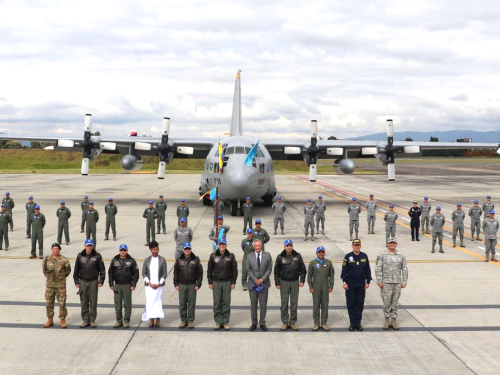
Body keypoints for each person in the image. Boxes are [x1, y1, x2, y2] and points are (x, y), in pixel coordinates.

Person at [375, 237, 408, 330]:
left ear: (396, 244)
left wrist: (404, 281)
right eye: (390, 243)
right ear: (387, 244)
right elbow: (378, 268)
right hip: (386, 283)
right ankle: (386, 320)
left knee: (395, 302)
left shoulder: (400, 255)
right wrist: (379, 281)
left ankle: (393, 320)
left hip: (397, 282)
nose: (392, 244)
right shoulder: (382, 254)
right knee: (386, 302)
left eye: (394, 243)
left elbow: (404, 269)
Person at [274, 239, 306, 331]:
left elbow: (303, 270)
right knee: (284, 303)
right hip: (284, 282)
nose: (289, 247)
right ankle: (285, 322)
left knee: (294, 303)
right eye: (287, 245)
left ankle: (292, 322)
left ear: (292, 246)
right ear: (284, 247)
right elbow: (276, 271)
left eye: (290, 245)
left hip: (295, 282)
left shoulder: (298, 256)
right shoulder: (280, 257)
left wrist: (302, 280)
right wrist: (277, 283)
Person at [73, 239, 105, 328]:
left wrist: (101, 281)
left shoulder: (97, 256)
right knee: (84, 301)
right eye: (88, 245)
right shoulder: (80, 256)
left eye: (91, 245)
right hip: (82, 281)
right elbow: (76, 270)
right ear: (84, 246)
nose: (89, 247)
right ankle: (85, 320)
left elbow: (102, 270)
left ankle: (92, 320)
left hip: (93, 281)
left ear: (93, 246)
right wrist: (76, 281)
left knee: (93, 301)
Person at [341, 239, 371, 331]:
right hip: (350, 285)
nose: (357, 246)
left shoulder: (364, 256)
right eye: (355, 245)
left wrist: (368, 281)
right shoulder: (348, 256)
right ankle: (352, 323)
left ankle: (358, 323)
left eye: (358, 245)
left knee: (360, 304)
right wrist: (344, 282)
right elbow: (344, 271)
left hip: (361, 285)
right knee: (351, 304)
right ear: (352, 246)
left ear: (360, 246)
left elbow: (367, 270)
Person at [207, 238, 238, 330]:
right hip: (216, 282)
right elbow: (209, 270)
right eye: (220, 244)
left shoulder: (231, 256)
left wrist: (233, 282)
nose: (222, 245)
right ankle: (218, 321)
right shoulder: (213, 256)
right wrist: (210, 282)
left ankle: (225, 321)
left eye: (223, 244)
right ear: (218, 245)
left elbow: (234, 270)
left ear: (226, 245)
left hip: (227, 282)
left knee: (226, 302)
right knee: (217, 302)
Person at [108, 244, 139, 329]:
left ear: (127, 251)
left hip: (127, 285)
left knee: (127, 304)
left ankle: (126, 320)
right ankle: (118, 321)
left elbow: (136, 273)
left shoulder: (131, 261)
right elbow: (110, 272)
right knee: (118, 304)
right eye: (121, 250)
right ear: (119, 251)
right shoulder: (114, 260)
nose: (123, 252)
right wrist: (111, 284)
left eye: (124, 250)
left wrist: (133, 284)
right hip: (117, 285)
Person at [174, 242, 203, 329]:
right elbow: (176, 273)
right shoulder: (179, 260)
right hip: (182, 284)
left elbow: (200, 273)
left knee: (191, 303)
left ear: (191, 249)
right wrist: (176, 284)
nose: (187, 250)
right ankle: (183, 320)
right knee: (182, 303)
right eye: (185, 249)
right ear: (183, 250)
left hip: (192, 284)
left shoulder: (196, 259)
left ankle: (190, 321)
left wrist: (198, 284)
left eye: (188, 249)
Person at [43, 243, 71, 328]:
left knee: (62, 303)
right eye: (54, 249)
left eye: (57, 249)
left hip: (60, 285)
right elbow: (44, 271)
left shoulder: (64, 260)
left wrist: (61, 278)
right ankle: (50, 319)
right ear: (52, 250)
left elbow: (67, 271)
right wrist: (50, 279)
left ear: (59, 250)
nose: (55, 250)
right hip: (50, 285)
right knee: (49, 303)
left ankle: (62, 320)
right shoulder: (47, 259)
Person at [246, 239, 272, 331]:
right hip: (253, 284)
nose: (257, 247)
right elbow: (248, 269)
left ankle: (262, 323)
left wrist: (262, 279)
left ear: (261, 246)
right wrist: (255, 280)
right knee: (253, 304)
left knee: (263, 304)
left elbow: (269, 269)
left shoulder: (267, 255)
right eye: (256, 246)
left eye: (259, 245)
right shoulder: (249, 256)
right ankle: (254, 323)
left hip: (264, 284)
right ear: (254, 247)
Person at [307, 246, 334, 331]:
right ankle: (316, 323)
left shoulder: (328, 263)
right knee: (316, 305)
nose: (321, 254)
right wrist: (311, 287)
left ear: (324, 253)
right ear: (316, 253)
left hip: (325, 287)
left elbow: (331, 275)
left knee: (325, 305)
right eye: (319, 252)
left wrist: (331, 286)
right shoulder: (312, 263)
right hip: (316, 287)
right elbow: (309, 276)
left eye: (322, 252)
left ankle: (324, 323)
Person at [142, 241, 168, 328]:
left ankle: (157, 319)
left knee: (157, 301)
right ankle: (151, 319)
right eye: (154, 249)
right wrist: (149, 283)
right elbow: (144, 273)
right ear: (150, 250)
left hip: (159, 285)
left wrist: (159, 284)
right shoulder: (147, 260)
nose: (156, 251)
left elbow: (164, 273)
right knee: (149, 301)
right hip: (149, 286)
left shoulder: (162, 260)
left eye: (157, 249)